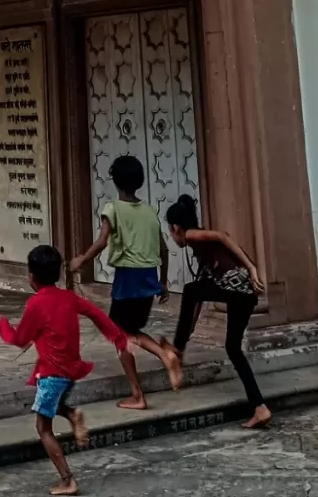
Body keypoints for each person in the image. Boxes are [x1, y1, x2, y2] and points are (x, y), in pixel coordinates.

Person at [0, 243, 136, 495]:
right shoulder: (69, 297)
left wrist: (3, 325)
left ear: (31, 277)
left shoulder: (36, 304)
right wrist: (119, 338)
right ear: (59, 274)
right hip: (69, 371)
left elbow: (19, 339)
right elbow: (98, 314)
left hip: (53, 375)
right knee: (50, 404)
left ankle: (67, 479)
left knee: (43, 427)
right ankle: (72, 415)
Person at [69, 154, 178, 408]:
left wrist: (80, 260)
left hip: (128, 277)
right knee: (128, 332)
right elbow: (163, 249)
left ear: (116, 182)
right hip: (149, 276)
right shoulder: (150, 211)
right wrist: (163, 282)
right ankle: (143, 384)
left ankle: (155, 367)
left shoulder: (113, 208)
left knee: (120, 334)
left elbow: (102, 241)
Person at [164, 193, 271, 430]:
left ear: (176, 227)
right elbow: (196, 305)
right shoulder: (204, 256)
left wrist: (252, 268)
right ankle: (260, 407)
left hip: (237, 287)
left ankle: (176, 349)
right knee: (232, 348)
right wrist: (184, 342)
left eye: (171, 233)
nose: (174, 238)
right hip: (244, 295)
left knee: (191, 291)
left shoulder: (192, 235)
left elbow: (223, 236)